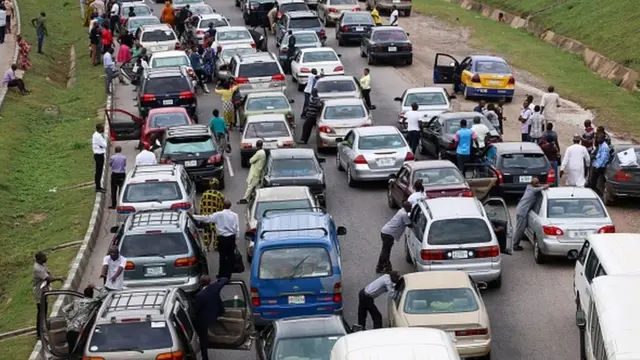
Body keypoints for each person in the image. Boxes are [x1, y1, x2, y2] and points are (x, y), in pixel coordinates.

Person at [195, 200, 239, 278]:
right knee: (230, 256)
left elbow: (207, 218)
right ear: (230, 206)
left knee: (222, 257)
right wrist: (236, 240)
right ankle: (228, 274)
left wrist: (194, 216)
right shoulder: (235, 215)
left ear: (222, 206)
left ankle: (221, 274)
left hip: (222, 239)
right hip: (231, 238)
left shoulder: (218, 215)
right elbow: (237, 228)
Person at [62, 284, 110, 354]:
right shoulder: (92, 301)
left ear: (84, 294)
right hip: (81, 331)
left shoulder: (76, 302)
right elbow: (105, 292)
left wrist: (69, 320)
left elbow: (64, 309)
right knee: (81, 352)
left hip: (70, 330)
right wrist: (94, 286)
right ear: (92, 294)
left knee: (71, 352)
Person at [194, 276, 230, 360]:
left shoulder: (199, 296)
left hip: (204, 320)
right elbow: (225, 279)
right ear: (209, 282)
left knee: (203, 338)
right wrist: (217, 280)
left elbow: (196, 310)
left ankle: (205, 356)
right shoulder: (215, 287)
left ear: (200, 283)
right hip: (216, 314)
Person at [513, 178, 549, 251]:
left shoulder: (529, 187)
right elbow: (542, 187)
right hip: (522, 212)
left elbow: (538, 186)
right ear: (535, 184)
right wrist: (545, 186)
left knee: (521, 228)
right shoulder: (533, 190)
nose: (538, 184)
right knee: (520, 229)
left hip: (520, 209)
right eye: (537, 183)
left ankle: (517, 241)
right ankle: (515, 245)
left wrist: (541, 185)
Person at [33, 251, 63, 338]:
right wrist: (59, 278)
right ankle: (39, 333)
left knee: (44, 312)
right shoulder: (37, 268)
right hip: (40, 293)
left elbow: (48, 273)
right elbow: (49, 278)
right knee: (41, 312)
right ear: (39, 259)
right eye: (44, 257)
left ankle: (43, 330)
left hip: (44, 291)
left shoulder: (42, 265)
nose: (46, 258)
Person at [377, 202, 412, 273]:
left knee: (386, 251)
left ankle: (386, 267)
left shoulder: (401, 211)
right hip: (388, 234)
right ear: (407, 208)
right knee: (385, 252)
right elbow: (409, 224)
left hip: (385, 232)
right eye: (410, 208)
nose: (411, 209)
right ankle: (380, 267)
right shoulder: (404, 214)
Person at [199, 178, 225, 250]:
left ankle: (206, 247)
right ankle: (216, 246)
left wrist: (201, 217)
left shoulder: (205, 194)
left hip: (207, 217)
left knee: (207, 233)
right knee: (216, 233)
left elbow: (201, 206)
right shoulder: (220, 195)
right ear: (217, 185)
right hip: (216, 218)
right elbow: (222, 207)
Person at [92, 124, 107, 192]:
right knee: (98, 171)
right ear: (99, 129)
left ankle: (98, 186)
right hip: (98, 155)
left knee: (99, 171)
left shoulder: (97, 135)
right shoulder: (98, 136)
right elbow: (105, 145)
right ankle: (98, 187)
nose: (103, 129)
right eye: (102, 128)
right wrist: (103, 144)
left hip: (99, 154)